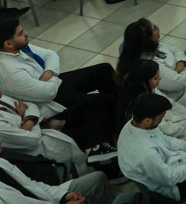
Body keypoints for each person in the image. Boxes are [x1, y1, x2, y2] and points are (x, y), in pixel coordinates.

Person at [0, 18, 118, 157]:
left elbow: (51, 55)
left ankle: (125, 110)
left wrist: (48, 73)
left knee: (103, 70)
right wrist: (52, 76)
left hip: (51, 83)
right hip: (51, 101)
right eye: (20, 33)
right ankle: (102, 145)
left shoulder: (18, 47)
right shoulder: (9, 72)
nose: (26, 33)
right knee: (102, 101)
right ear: (8, 44)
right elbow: (49, 93)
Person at [0, 141, 110, 204]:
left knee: (97, 179)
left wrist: (64, 196)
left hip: (45, 200)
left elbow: (32, 184)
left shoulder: (2, 162)